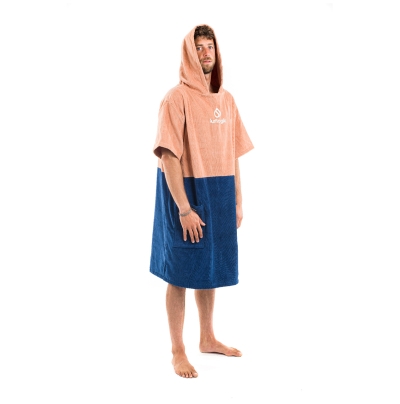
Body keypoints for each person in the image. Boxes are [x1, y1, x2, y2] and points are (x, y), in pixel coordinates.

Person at [149, 24, 254, 378]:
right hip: (183, 194)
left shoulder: (227, 100)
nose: (206, 52)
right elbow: (168, 156)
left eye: (210, 46)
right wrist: (183, 209)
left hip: (219, 192)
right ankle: (177, 350)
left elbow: (233, 152)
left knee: (209, 268)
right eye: (199, 47)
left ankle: (207, 337)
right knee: (178, 272)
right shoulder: (175, 98)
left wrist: (238, 201)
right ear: (189, 54)